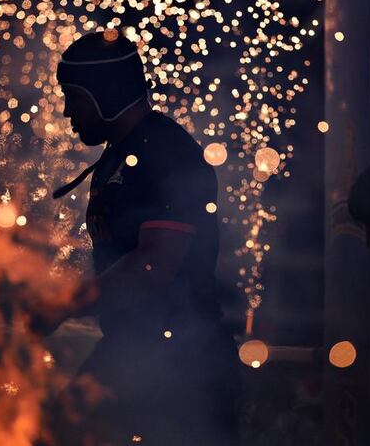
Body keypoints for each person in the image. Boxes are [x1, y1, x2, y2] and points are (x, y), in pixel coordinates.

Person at [42, 29, 241, 446]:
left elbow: (153, 266)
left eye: (74, 96)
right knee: (49, 431)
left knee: (53, 433)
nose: (65, 111)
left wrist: (64, 305)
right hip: (136, 353)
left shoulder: (165, 153)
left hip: (183, 367)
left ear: (105, 93)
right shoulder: (119, 154)